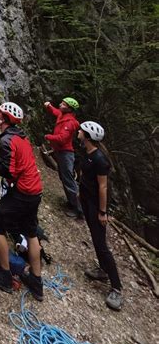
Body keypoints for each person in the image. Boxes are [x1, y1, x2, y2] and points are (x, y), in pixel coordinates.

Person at [0, 102, 44, 301]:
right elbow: (14, 163)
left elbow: (9, 172)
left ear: (4, 118)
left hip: (23, 192)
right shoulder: (20, 136)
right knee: (31, 232)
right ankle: (36, 281)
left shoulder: (6, 140)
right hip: (35, 191)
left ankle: (4, 276)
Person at [78, 121, 123, 311]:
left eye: (81, 130)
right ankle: (102, 271)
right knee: (96, 241)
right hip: (88, 202)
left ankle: (117, 288)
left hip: (97, 205)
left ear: (87, 136)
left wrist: (103, 212)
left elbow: (103, 187)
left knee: (102, 246)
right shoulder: (87, 153)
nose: (78, 132)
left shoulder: (99, 160)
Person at [44, 97, 83, 218]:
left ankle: (79, 210)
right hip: (60, 152)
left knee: (68, 180)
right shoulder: (63, 115)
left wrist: (49, 137)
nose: (60, 105)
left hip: (66, 153)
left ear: (69, 109)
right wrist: (49, 106)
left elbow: (62, 139)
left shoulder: (70, 123)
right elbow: (56, 112)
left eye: (63, 104)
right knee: (64, 177)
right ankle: (72, 202)